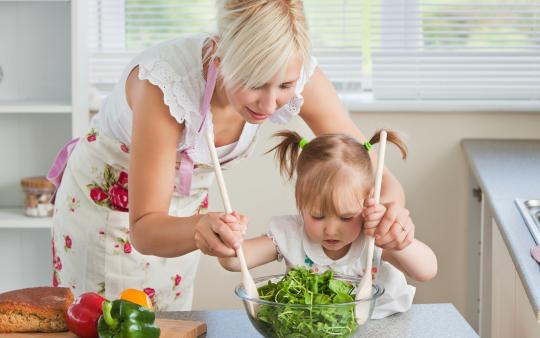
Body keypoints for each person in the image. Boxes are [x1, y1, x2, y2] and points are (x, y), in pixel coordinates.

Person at [48, 0, 412, 311]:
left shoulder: (296, 70)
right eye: (255, 84)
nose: (270, 105)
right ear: (220, 57)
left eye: (284, 86)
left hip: (186, 214)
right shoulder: (164, 86)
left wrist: (392, 216)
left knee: (169, 321)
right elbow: (144, 229)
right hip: (109, 210)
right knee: (112, 321)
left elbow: (377, 173)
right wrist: (197, 227)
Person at [218, 130, 437, 318]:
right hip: (315, 327)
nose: (331, 230)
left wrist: (398, 241)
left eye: (346, 217)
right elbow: (234, 263)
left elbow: (427, 271)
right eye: (317, 216)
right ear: (301, 203)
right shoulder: (291, 233)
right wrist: (229, 237)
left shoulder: (373, 234)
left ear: (368, 201)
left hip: (382, 323)